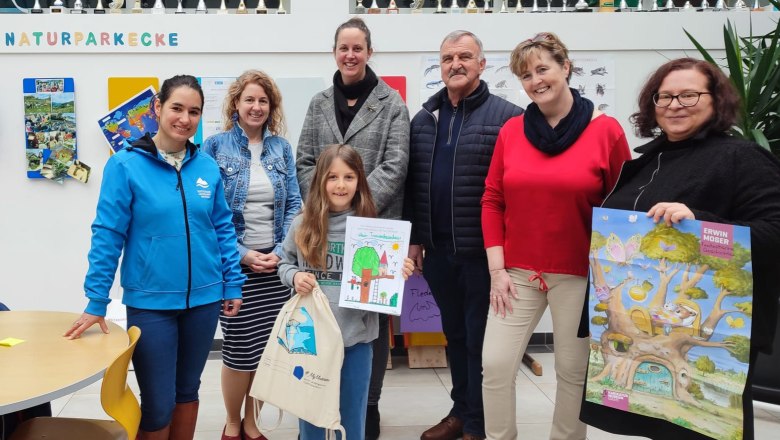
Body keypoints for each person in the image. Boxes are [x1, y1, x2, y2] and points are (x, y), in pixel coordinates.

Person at [579, 57, 780, 440]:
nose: (674, 105)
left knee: (708, 427)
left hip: (706, 325)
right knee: (663, 421)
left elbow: (774, 232)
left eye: (689, 95)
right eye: (665, 96)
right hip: (647, 325)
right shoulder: (650, 159)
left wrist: (700, 222)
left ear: (716, 100)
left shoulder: (741, 157)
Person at [64, 75, 246, 440]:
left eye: (194, 111)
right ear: (158, 108)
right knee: (159, 401)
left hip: (206, 298)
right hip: (151, 304)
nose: (185, 118)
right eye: (177, 108)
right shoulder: (125, 165)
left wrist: (232, 284)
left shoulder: (206, 167)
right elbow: (108, 234)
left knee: (187, 391)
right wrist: (96, 300)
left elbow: (223, 228)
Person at [480, 32, 631, 440]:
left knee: (572, 371)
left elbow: (624, 205)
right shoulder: (512, 131)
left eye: (542, 69)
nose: (535, 81)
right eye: (525, 75)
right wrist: (497, 268)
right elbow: (492, 200)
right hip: (516, 273)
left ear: (566, 68)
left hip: (581, 276)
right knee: (495, 365)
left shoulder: (606, 131)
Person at [404, 30, 523, 440]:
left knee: (479, 342)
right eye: (448, 58)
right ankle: (460, 411)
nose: (456, 64)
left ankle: (478, 422)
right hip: (438, 253)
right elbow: (415, 185)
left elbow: (516, 189)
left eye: (465, 57)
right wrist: (417, 240)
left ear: (482, 64)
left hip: (483, 255)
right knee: (454, 335)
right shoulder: (424, 119)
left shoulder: (508, 116)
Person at [296, 17, 410, 440]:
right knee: (322, 309)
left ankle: (368, 404)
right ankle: (315, 396)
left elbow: (396, 165)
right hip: (323, 225)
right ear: (334, 52)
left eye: (358, 48)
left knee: (369, 321)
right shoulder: (319, 103)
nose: (350, 55)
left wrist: (355, 203)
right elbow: (305, 160)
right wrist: (328, 204)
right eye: (343, 48)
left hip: (374, 228)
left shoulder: (392, 104)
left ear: (369, 51)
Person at [278, 144, 414, 440]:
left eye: (349, 177)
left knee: (353, 418)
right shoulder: (303, 224)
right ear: (320, 181)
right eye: (332, 177)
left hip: (357, 339)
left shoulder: (373, 228)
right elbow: (284, 264)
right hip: (309, 340)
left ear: (359, 182)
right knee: (311, 417)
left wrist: (398, 271)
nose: (340, 185)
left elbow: (383, 282)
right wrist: (295, 275)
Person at [202, 70, 302, 440]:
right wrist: (244, 254)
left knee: (267, 350)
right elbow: (210, 213)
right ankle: (232, 420)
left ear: (270, 107)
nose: (256, 106)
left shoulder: (281, 149)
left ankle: (253, 421)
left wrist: (279, 252)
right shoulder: (214, 148)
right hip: (235, 266)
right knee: (239, 349)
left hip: (276, 266)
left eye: (263, 101)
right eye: (249, 100)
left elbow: (295, 202)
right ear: (236, 104)